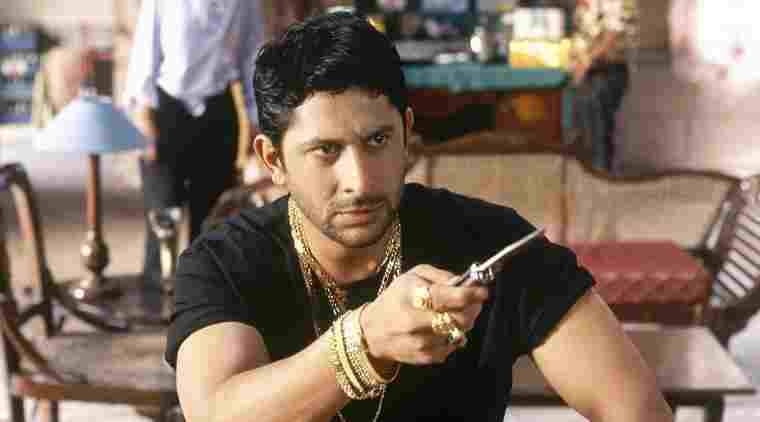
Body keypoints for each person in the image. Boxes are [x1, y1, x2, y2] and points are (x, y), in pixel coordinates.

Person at [166, 12, 673, 422]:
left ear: (407, 134)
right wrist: (366, 340)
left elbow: (638, 410)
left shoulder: (491, 242)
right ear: (273, 159)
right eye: (325, 150)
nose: (360, 181)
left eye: (377, 140)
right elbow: (215, 413)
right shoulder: (224, 261)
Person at [123, 0, 265, 294]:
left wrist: (255, 119)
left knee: (213, 216)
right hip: (166, 110)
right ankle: (156, 293)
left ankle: (204, 297)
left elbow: (252, 57)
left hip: (218, 107)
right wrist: (144, 119)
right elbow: (144, 54)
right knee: (163, 212)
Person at [570, 0, 636, 172]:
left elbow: (612, 35)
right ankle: (588, 171)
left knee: (598, 129)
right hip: (585, 72)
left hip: (609, 70)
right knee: (583, 128)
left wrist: (586, 62)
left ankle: (601, 174)